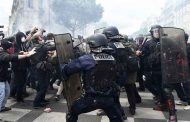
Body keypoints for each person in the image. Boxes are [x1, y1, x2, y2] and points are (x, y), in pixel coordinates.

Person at [60, 34, 123, 122]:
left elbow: (67, 70)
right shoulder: (113, 58)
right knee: (117, 119)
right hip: (109, 98)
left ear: (92, 45)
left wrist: (62, 65)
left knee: (72, 111)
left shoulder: (87, 59)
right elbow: (119, 77)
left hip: (91, 100)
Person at [136, 25, 178, 122]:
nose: (156, 32)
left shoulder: (168, 41)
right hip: (153, 70)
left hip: (166, 69)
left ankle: (172, 114)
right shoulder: (148, 43)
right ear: (151, 32)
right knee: (155, 87)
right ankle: (162, 103)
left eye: (158, 31)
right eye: (154, 31)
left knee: (167, 91)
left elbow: (177, 53)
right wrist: (139, 53)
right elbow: (142, 53)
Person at [0, 39, 36, 112]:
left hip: (4, 77)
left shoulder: (7, 52)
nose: (12, 48)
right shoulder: (2, 54)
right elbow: (11, 57)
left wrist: (27, 53)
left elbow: (16, 54)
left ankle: (2, 107)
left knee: (7, 92)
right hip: (0, 78)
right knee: (2, 94)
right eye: (11, 47)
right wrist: (27, 55)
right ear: (7, 48)